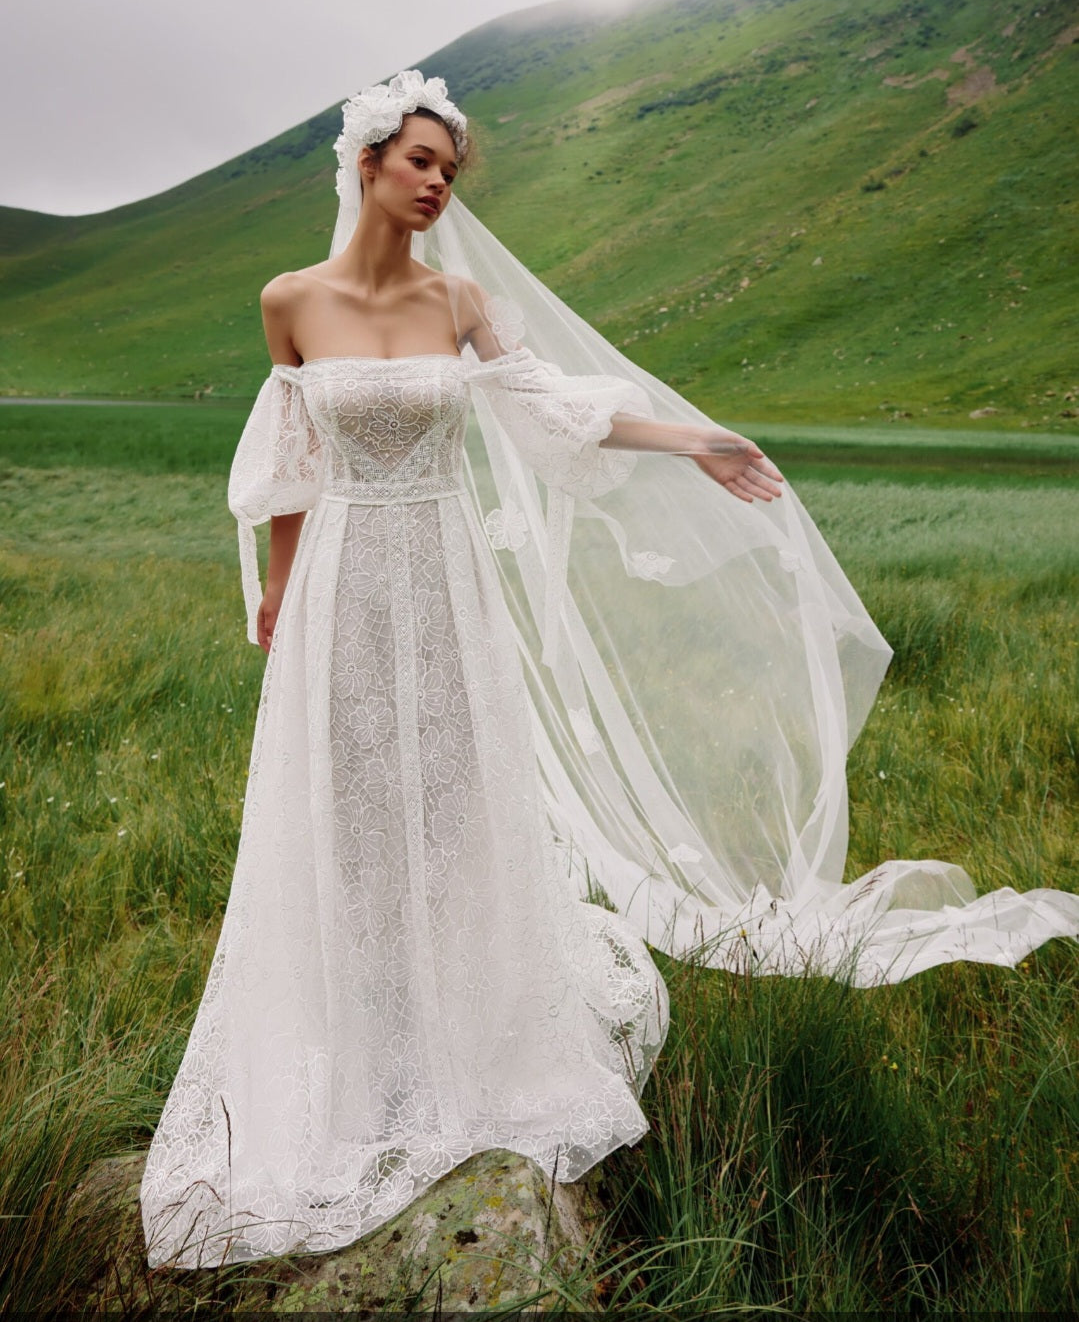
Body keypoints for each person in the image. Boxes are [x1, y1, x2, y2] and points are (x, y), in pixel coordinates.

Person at [140, 71, 1079, 1270]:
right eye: (420, 161)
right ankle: (360, 1051)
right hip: (339, 592)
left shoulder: (460, 301)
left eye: (448, 168)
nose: (437, 184)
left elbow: (553, 413)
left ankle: (458, 1043)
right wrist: (276, 588)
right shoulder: (289, 302)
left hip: (442, 576)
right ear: (366, 163)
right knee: (352, 806)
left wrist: (691, 437)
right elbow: (292, 466)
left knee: (455, 802)